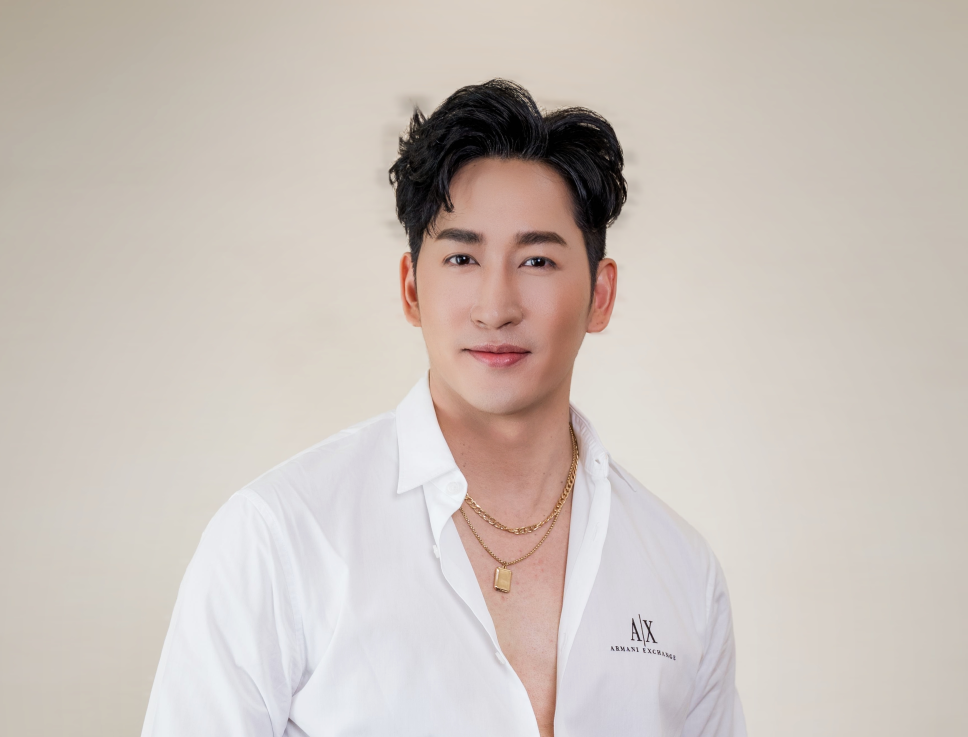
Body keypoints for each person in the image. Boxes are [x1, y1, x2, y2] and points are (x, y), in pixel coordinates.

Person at [142, 79, 746, 737]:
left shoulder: (681, 570)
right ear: (411, 289)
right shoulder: (280, 537)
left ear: (601, 296)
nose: (496, 306)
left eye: (537, 260)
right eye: (462, 256)